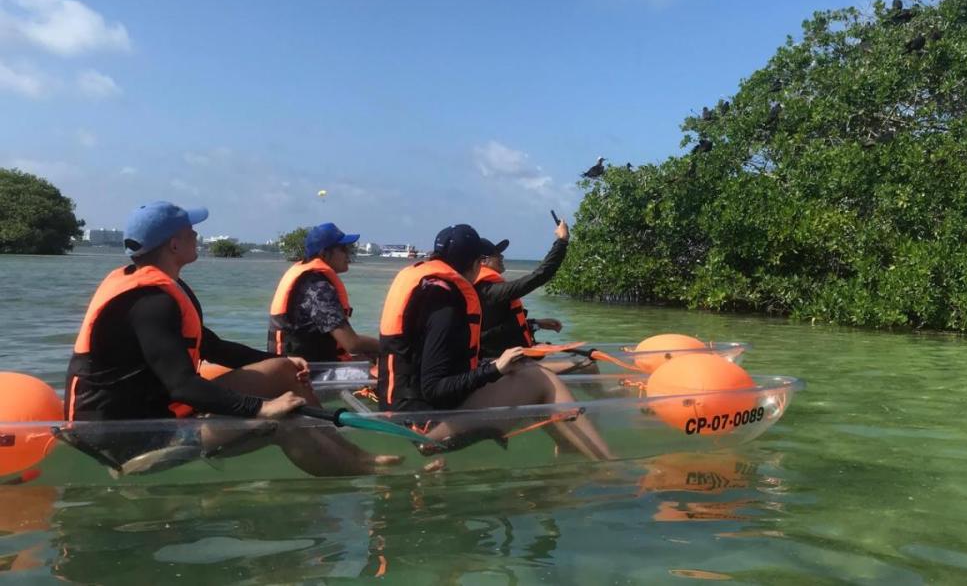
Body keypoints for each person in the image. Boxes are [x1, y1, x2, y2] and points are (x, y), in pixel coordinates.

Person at [64, 201, 397, 476]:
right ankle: (367, 475)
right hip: (130, 435)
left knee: (284, 370)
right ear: (174, 245)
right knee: (286, 422)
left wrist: (275, 364)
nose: (197, 234)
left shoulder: (164, 287)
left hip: (158, 412)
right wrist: (263, 407)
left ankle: (358, 457)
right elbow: (182, 386)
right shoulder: (150, 302)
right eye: (189, 231)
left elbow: (213, 347)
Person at [377, 223, 611, 459]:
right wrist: (495, 369)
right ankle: (609, 467)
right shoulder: (448, 305)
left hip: (407, 412)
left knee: (530, 373)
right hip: (424, 426)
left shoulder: (431, 292)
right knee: (541, 379)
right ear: (477, 263)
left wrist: (534, 324)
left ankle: (573, 449)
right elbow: (435, 388)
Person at [475, 218, 580, 373]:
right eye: (497, 255)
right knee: (586, 364)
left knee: (578, 360)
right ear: (483, 261)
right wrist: (562, 241)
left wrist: (536, 323)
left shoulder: (486, 290)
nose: (502, 258)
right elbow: (539, 276)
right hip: (502, 366)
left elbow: (498, 328)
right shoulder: (490, 291)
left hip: (514, 358)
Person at [268, 222, 379, 362]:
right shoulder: (318, 287)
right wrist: (385, 346)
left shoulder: (309, 279)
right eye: (343, 249)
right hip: (307, 371)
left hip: (295, 364)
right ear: (323, 254)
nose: (348, 253)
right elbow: (352, 344)